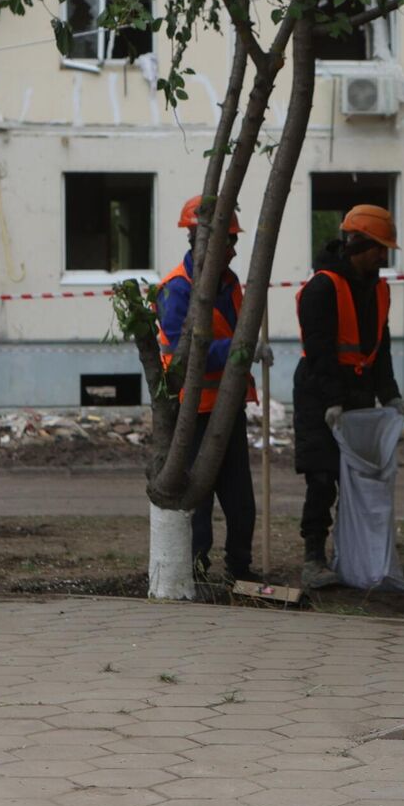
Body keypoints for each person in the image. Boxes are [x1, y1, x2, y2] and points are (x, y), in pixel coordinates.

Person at [294, 205, 404, 589]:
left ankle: (352, 556)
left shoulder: (377, 288)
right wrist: (332, 401)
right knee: (322, 476)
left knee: (358, 478)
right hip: (320, 393)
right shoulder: (322, 287)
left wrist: (390, 394)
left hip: (358, 393)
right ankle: (313, 557)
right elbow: (319, 348)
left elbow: (381, 346)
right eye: (378, 248)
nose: (383, 256)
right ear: (358, 244)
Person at [155, 195, 258, 584]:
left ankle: (240, 568)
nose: (233, 250)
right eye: (227, 242)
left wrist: (247, 351)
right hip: (192, 411)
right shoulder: (176, 290)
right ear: (201, 242)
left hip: (228, 408)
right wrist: (239, 350)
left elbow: (237, 336)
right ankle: (196, 570)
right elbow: (185, 355)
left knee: (240, 499)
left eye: (234, 241)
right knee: (198, 497)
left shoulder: (229, 284)